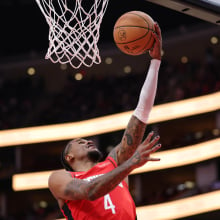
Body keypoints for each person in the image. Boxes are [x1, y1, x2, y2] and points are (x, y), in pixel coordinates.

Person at [48, 23, 162, 220]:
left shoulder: (113, 162)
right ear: (69, 158)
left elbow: (141, 113)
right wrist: (130, 164)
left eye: (86, 140)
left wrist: (155, 61)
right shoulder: (61, 178)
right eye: (79, 142)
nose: (87, 141)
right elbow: (90, 191)